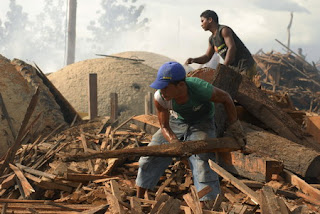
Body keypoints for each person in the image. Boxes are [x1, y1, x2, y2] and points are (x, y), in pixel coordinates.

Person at [135, 61, 245, 206]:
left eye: (165, 88)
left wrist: (234, 126)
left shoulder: (200, 89)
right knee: (150, 156)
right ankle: (137, 200)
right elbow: (164, 126)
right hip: (176, 122)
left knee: (201, 160)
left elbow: (226, 98)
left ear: (181, 85)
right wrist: (174, 143)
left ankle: (209, 205)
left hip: (202, 122)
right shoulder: (160, 98)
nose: (162, 91)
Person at [185, 10, 256, 79]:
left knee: (246, 88)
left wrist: (223, 67)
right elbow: (207, 57)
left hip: (246, 65)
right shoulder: (211, 39)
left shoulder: (224, 30)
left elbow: (232, 47)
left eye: (202, 21)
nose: (201, 24)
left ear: (210, 20)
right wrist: (193, 60)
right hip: (234, 68)